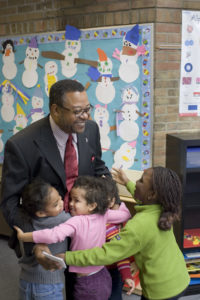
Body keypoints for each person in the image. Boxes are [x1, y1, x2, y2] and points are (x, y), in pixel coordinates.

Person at [0, 79, 112, 299]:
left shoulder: (90, 129)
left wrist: (112, 195)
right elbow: (10, 202)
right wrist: (36, 241)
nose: (86, 117)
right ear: (55, 110)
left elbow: (98, 165)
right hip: (49, 236)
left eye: (87, 109)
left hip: (86, 233)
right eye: (78, 111)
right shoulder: (21, 145)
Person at [59, 167, 190, 300]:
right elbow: (142, 196)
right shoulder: (162, 206)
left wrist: (68, 257)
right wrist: (127, 182)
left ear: (152, 194)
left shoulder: (139, 225)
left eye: (141, 181)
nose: (136, 182)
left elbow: (107, 253)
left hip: (160, 291)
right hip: (179, 277)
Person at [15, 175, 131, 300]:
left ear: (92, 205)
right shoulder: (103, 214)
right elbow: (125, 215)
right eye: (70, 199)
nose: (70, 204)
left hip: (87, 283)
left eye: (76, 200)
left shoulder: (76, 221)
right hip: (103, 275)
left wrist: (25, 236)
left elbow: (54, 235)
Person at [16, 178, 71, 300]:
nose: (62, 203)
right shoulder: (62, 219)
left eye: (60, 198)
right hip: (48, 284)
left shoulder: (25, 219)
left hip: (25, 280)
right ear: (41, 213)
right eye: (56, 204)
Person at [102, 176, 136, 299]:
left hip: (114, 268)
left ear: (111, 201)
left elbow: (120, 252)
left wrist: (126, 275)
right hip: (105, 267)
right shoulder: (121, 212)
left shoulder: (107, 222)